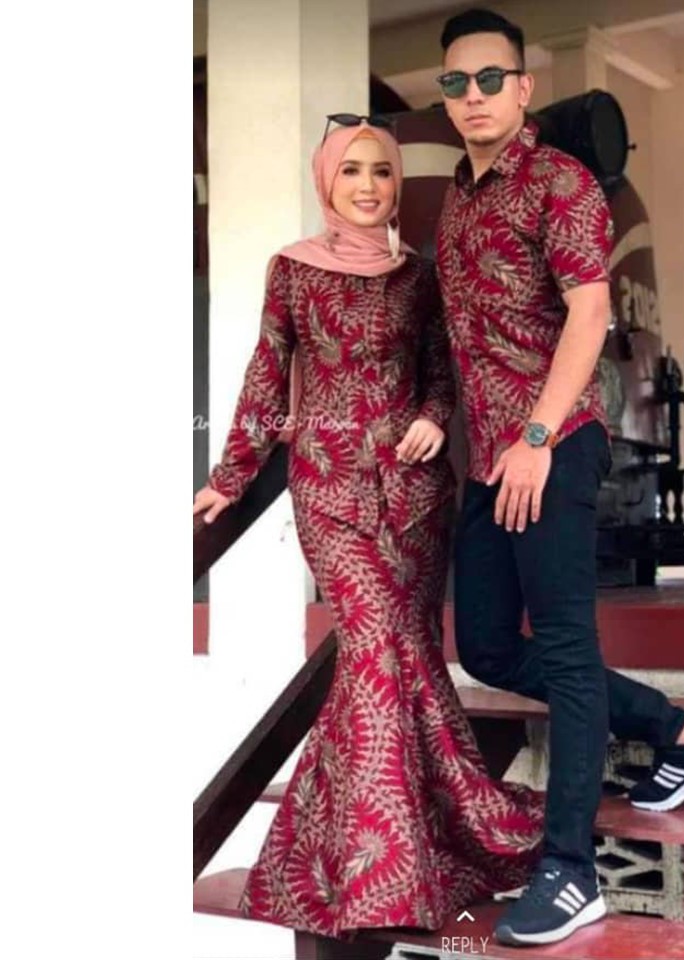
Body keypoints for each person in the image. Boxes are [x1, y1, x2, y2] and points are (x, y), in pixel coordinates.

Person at [192, 117, 544, 938]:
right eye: (350, 170)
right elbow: (266, 376)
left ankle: (375, 853)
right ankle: (391, 867)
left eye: (381, 171)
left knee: (396, 654)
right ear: (327, 181)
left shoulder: (419, 277)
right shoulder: (291, 270)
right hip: (330, 491)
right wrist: (229, 477)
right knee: (378, 643)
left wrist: (431, 416)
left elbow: (441, 374)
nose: (367, 186)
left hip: (416, 497)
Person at [434, 8, 684, 947]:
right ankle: (682, 732)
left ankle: (571, 872)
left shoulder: (557, 181)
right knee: (488, 646)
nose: (474, 96)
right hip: (491, 456)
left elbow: (590, 314)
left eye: (491, 78)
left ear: (523, 87)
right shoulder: (459, 198)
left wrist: (536, 434)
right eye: (456, 83)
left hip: (554, 442)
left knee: (565, 647)